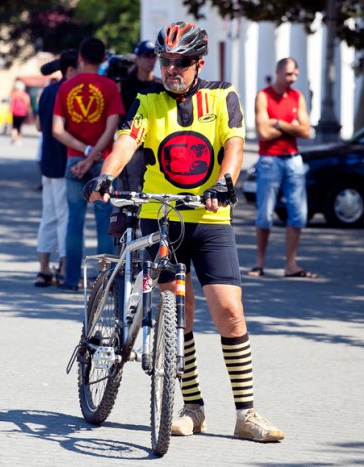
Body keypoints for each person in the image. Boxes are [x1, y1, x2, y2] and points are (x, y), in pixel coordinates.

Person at [84, 21, 284, 443]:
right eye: (164, 61)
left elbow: (233, 144)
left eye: (179, 63)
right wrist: (105, 176)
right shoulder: (149, 99)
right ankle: (192, 407)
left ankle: (246, 414)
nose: (169, 69)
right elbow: (127, 140)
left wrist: (224, 182)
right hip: (161, 218)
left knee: (229, 310)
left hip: (209, 218)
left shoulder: (222, 94)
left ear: (198, 63)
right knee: (181, 312)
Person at [52, 37, 126, 292]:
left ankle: (71, 278)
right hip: (103, 162)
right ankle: (103, 280)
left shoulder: (66, 87)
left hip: (74, 159)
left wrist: (83, 153)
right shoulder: (109, 87)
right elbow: (113, 125)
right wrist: (94, 155)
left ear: (80, 58)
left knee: (74, 220)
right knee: (104, 221)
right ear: (104, 58)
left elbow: (56, 130)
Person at [249, 57, 315, 279]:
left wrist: (278, 123)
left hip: (294, 159)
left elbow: (306, 132)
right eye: (289, 74)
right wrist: (293, 127)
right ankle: (259, 264)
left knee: (298, 215)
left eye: (295, 74)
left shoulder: (298, 96)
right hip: (270, 159)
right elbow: (264, 133)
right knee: (265, 214)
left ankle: (291, 264)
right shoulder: (263, 96)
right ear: (278, 72)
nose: (293, 79)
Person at [33, 49, 79, 287]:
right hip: (64, 159)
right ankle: (63, 267)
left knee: (49, 215)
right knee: (65, 216)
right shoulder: (69, 92)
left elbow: (40, 127)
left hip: (48, 160)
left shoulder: (47, 91)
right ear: (71, 69)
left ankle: (43, 269)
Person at [117, 40, 162, 192]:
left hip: (154, 145)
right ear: (137, 57)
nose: (151, 60)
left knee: (154, 192)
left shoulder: (160, 86)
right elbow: (117, 116)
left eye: (153, 56)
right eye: (146, 56)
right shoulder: (123, 84)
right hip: (132, 146)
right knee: (128, 194)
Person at [9, 80, 31, 146]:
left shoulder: (14, 94)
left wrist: (10, 110)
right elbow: (28, 104)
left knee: (14, 126)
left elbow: (11, 103)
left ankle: (15, 138)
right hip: (22, 113)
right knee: (20, 126)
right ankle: (18, 138)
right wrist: (29, 113)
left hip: (15, 112)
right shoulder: (25, 95)